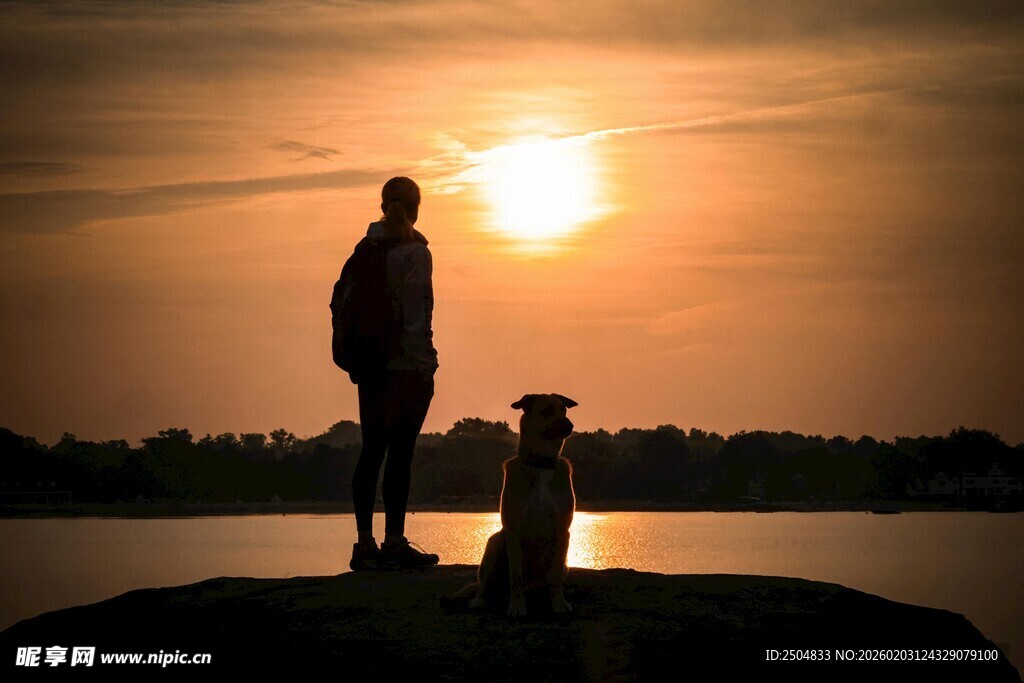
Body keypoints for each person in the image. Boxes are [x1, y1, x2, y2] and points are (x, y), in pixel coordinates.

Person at [349, 176, 440, 571]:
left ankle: (364, 544)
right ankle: (394, 543)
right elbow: (417, 315)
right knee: (400, 454)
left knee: (371, 452)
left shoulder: (364, 248)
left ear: (382, 204)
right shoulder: (413, 252)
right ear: (416, 207)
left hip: (370, 367)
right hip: (404, 368)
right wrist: (426, 364)